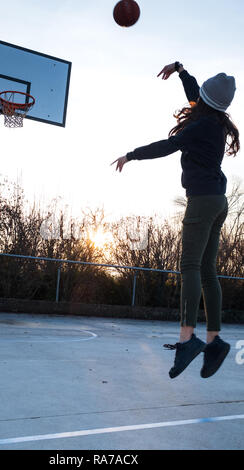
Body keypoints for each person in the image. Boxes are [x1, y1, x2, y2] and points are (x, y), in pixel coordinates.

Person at [112, 61, 240, 379]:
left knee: (190, 268)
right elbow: (196, 94)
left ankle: (187, 339)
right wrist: (181, 71)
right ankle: (214, 341)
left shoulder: (198, 127)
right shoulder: (216, 122)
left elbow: (167, 146)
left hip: (201, 202)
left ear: (206, 101)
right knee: (208, 271)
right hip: (218, 201)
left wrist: (131, 154)